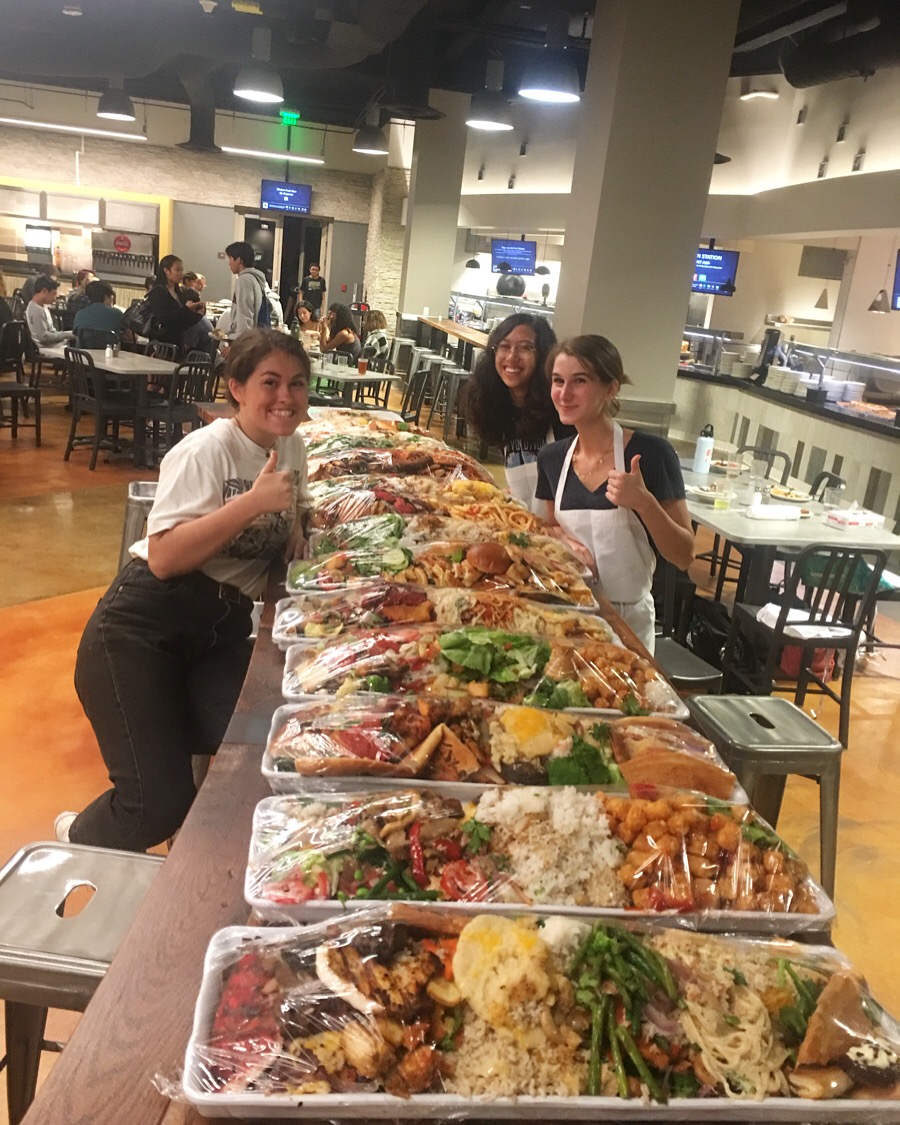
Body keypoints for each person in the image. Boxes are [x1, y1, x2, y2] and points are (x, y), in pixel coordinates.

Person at [56, 329, 312, 852]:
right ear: (236, 387)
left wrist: (296, 528)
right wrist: (253, 503)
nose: (286, 397)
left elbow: (294, 505)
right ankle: (74, 838)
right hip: (140, 630)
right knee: (155, 805)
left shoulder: (292, 447)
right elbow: (167, 558)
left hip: (214, 637)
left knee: (275, 737)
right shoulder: (205, 451)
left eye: (298, 384)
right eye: (271, 382)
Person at [535, 334, 694, 652]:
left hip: (628, 628)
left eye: (579, 381)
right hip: (565, 616)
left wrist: (643, 502)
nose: (564, 394)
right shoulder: (552, 458)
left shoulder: (651, 453)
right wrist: (565, 542)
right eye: (557, 381)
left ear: (611, 388)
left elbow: (683, 555)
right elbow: (541, 528)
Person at [466, 313, 571, 512]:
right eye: (504, 346)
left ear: (543, 355)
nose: (512, 357)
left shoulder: (561, 410)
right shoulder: (500, 406)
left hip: (565, 531)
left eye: (525, 348)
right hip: (525, 522)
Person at [143, 254, 205, 352]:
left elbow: (181, 322)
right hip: (162, 345)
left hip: (177, 342)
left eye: (181, 270)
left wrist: (197, 314)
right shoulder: (159, 291)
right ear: (166, 271)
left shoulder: (179, 292)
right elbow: (164, 318)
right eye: (177, 270)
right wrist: (186, 309)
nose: (181, 274)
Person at [216, 241, 269, 344]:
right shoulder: (255, 278)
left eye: (230, 258)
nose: (229, 263)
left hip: (243, 341)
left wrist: (238, 344)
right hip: (251, 338)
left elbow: (245, 314)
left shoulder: (244, 280)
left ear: (239, 260)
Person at [73, 280, 124, 348]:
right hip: (108, 356)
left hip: (84, 357)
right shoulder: (117, 314)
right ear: (106, 296)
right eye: (112, 296)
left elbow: (77, 337)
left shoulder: (79, 314)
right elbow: (132, 337)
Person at [25, 275, 72, 349]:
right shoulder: (36, 310)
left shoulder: (42, 307)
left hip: (54, 345)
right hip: (47, 349)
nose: (55, 298)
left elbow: (51, 332)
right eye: (54, 294)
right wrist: (66, 335)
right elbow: (44, 338)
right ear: (44, 291)